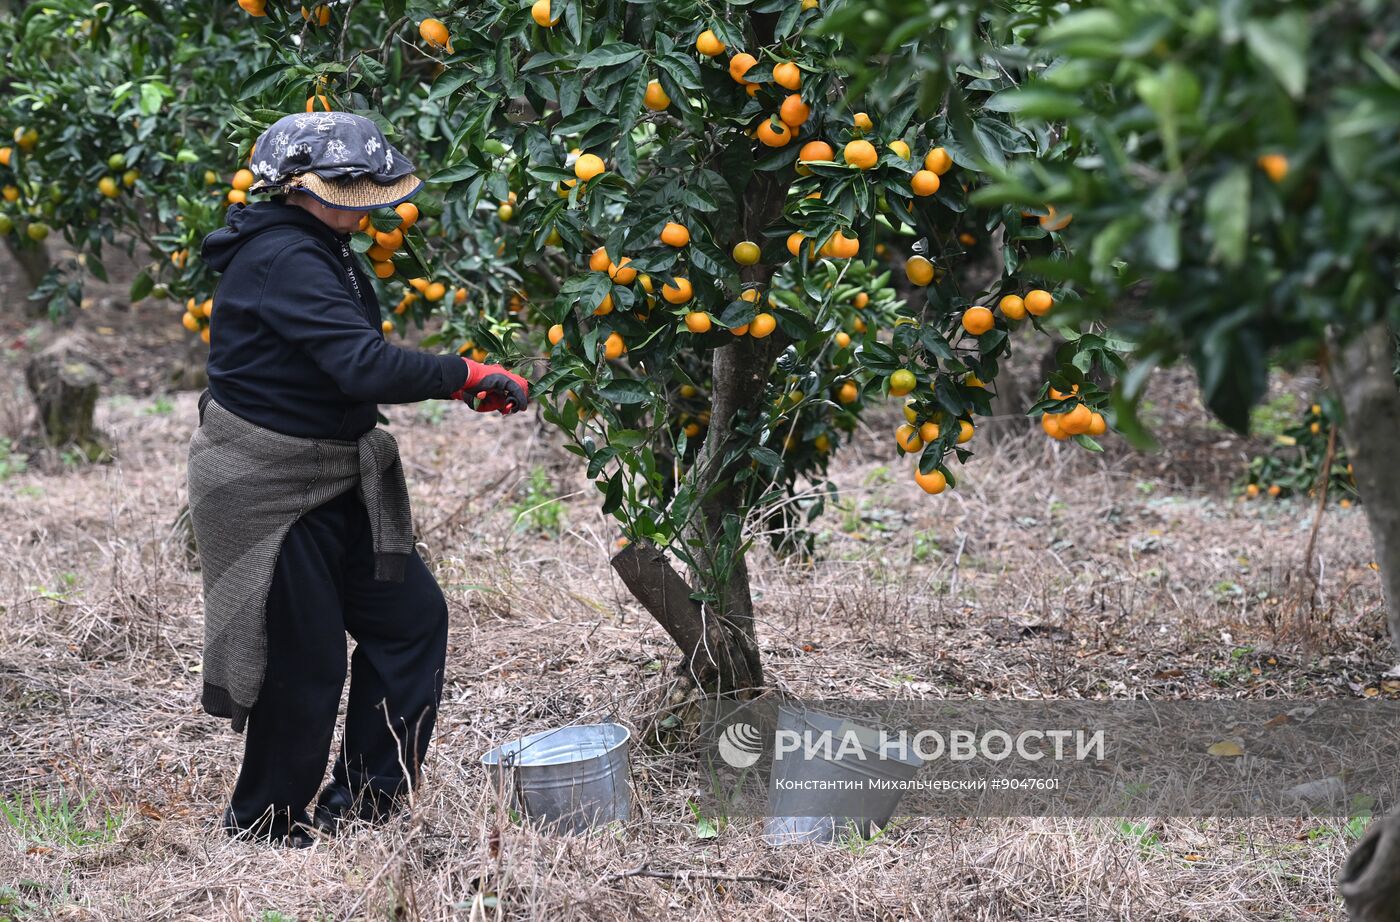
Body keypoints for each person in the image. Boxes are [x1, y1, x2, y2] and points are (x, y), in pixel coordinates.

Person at [186, 111, 528, 847]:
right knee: (303, 662)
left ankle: (368, 805)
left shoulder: (325, 244)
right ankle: (264, 824)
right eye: (348, 182)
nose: (366, 195)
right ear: (299, 187)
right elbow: (361, 365)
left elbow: (349, 362)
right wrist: (463, 373)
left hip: (333, 469)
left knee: (411, 622)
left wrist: (456, 378)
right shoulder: (287, 256)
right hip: (265, 481)